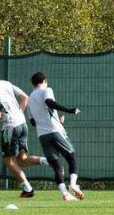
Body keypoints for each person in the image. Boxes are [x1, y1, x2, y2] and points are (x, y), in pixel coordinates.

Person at [0, 61, 46, 198]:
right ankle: (47, 160)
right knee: (22, 159)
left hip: (10, 127)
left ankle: (28, 189)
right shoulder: (5, 83)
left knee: (8, 161)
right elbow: (24, 97)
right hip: (22, 124)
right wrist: (19, 114)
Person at [27, 71, 84, 201]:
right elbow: (49, 102)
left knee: (56, 165)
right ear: (44, 81)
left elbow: (33, 122)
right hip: (55, 131)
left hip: (42, 135)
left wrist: (57, 119)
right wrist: (69, 110)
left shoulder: (29, 99)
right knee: (71, 157)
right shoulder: (46, 90)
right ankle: (73, 184)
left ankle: (65, 194)